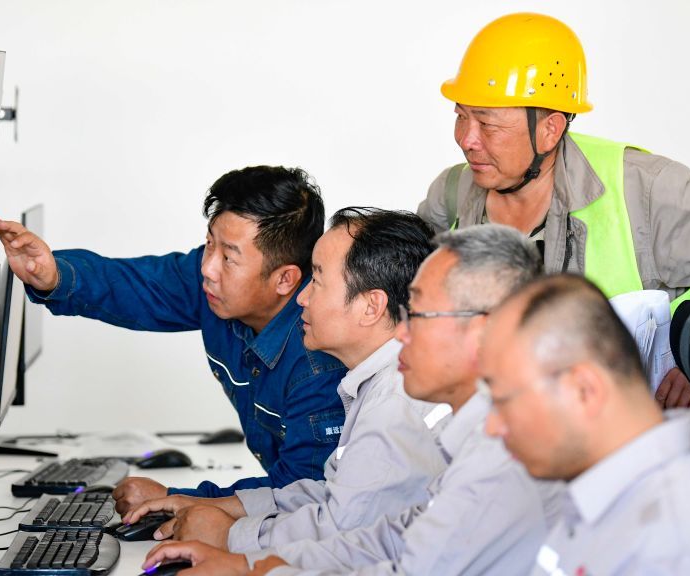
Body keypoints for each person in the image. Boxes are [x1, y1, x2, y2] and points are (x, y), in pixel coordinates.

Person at [416, 12, 690, 411]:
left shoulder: (642, 190)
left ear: (550, 129)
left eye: (487, 125)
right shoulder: (452, 194)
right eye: (461, 117)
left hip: (651, 432)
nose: (467, 140)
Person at [139, 225, 560, 576]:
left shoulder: (412, 411)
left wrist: (243, 551)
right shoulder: (469, 436)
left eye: (421, 315)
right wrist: (249, 562)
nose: (403, 332)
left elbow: (375, 545)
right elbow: (389, 535)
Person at [0, 165, 347, 509]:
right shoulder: (216, 288)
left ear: (285, 279)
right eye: (209, 245)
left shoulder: (318, 363)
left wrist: (176, 498)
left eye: (229, 257)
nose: (207, 268)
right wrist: (53, 275)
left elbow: (302, 495)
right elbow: (138, 285)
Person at [121, 208, 451, 551]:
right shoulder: (382, 383)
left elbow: (342, 533)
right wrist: (213, 505)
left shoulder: (396, 405)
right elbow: (330, 494)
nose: (302, 298)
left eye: (318, 281)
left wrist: (229, 536)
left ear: (371, 306)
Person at [481, 274, 690, 575]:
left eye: (505, 401)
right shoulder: (608, 498)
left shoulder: (680, 551)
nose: (493, 427)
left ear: (585, 390)